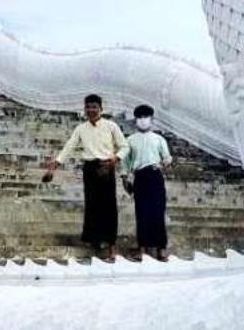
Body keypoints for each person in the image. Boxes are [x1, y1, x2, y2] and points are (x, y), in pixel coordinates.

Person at [42, 93, 126, 260]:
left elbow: (125, 146)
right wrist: (55, 166)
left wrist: (115, 159)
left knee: (109, 206)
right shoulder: (81, 128)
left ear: (101, 109)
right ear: (85, 109)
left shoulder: (111, 126)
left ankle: (111, 244)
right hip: (89, 168)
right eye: (88, 107)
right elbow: (69, 147)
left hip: (106, 166)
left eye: (94, 107)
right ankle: (93, 240)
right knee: (92, 204)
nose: (91, 110)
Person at [119, 103, 173, 261]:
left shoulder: (159, 139)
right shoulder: (129, 140)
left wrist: (166, 163)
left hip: (155, 176)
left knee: (158, 211)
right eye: (140, 117)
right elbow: (125, 163)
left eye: (146, 117)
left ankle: (161, 249)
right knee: (141, 212)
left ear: (151, 119)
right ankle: (141, 248)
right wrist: (125, 179)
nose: (143, 120)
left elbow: (167, 157)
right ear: (136, 120)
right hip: (140, 177)